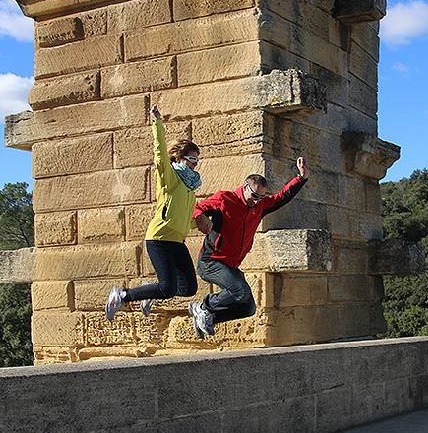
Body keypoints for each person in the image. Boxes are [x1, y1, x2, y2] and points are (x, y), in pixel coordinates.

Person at [105, 104, 206, 320]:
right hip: (159, 238)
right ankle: (122, 295)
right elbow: (160, 153)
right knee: (168, 288)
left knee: (188, 288)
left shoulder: (190, 188)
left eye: (197, 160)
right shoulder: (169, 178)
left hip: (177, 242)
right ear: (179, 158)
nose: (195, 164)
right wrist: (157, 123)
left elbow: (185, 219)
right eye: (191, 159)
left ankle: (150, 292)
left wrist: (200, 223)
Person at [188, 157, 309, 338]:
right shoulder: (225, 199)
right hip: (211, 261)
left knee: (248, 307)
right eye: (254, 196)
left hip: (230, 265)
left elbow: (282, 197)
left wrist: (301, 178)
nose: (257, 201)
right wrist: (201, 218)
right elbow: (198, 207)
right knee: (239, 291)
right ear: (245, 187)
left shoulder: (259, 206)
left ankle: (209, 317)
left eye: (261, 198)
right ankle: (202, 306)